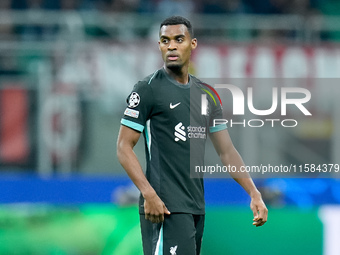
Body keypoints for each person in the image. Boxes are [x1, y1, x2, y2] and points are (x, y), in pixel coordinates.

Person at [117, 15, 268, 255]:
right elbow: (124, 147)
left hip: (196, 208)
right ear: (159, 46)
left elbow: (226, 151)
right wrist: (149, 194)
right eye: (165, 41)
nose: (172, 46)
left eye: (179, 39)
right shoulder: (147, 89)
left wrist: (253, 192)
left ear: (193, 44)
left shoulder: (207, 94)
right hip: (164, 207)